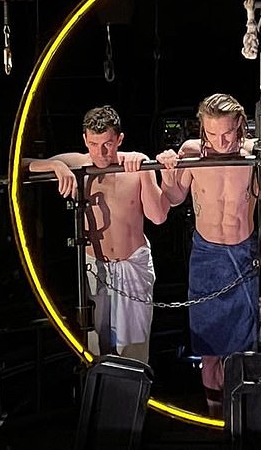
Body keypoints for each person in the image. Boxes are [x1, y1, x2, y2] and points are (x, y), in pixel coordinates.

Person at [156, 93, 261, 417]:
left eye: (228, 133)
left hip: (244, 255)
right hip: (206, 257)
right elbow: (174, 198)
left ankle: (237, 417)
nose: (221, 141)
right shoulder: (192, 152)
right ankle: (214, 417)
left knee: (241, 350)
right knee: (209, 351)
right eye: (212, 134)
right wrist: (167, 170)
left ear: (241, 128)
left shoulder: (255, 154)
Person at [24, 105, 169, 363]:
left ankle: (133, 401)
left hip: (131, 264)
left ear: (119, 140)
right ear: (85, 140)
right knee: (95, 349)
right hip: (94, 268)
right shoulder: (81, 162)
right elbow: (22, 164)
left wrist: (146, 173)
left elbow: (158, 217)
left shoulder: (135, 162)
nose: (101, 152)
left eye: (108, 144)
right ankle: (100, 401)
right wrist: (56, 166)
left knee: (134, 350)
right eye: (93, 144)